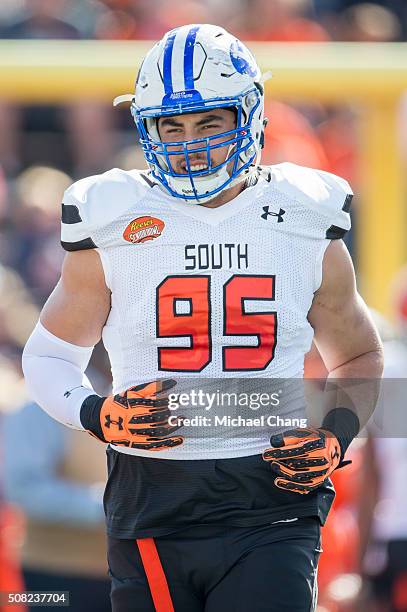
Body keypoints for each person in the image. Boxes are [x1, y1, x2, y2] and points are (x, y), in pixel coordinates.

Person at [22, 24, 383, 611]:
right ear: (148, 128)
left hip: (272, 496)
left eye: (209, 121)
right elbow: (49, 355)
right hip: (153, 498)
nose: (190, 141)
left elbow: (360, 355)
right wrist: (96, 413)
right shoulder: (113, 216)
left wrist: (337, 436)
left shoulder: (302, 214)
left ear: (249, 116)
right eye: (173, 125)